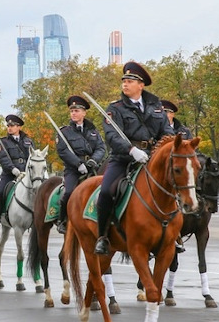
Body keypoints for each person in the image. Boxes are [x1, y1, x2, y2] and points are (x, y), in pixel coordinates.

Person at [94, 61, 172, 254]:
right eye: (124, 81)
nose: (125, 84)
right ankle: (102, 236)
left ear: (141, 85)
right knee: (106, 192)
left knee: (174, 188)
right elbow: (111, 136)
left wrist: (162, 149)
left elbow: (167, 131)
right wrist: (131, 150)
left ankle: (173, 235)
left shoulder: (156, 107)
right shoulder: (115, 108)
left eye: (129, 81)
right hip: (123, 159)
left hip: (151, 159)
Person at [52, 95, 105, 226]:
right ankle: (63, 220)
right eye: (72, 111)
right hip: (73, 170)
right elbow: (63, 151)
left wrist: (94, 160)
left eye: (76, 111)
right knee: (69, 192)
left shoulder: (93, 131)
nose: (73, 113)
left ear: (84, 113)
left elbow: (101, 148)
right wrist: (78, 164)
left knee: (105, 191)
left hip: (92, 167)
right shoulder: (64, 131)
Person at [0, 114, 34, 229]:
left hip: (26, 173)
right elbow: (3, 158)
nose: (9, 128)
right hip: (10, 174)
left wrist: (27, 170)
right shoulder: (2, 142)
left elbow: (32, 156)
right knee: (0, 192)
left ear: (19, 127)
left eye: (12, 125)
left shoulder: (28, 141)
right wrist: (13, 169)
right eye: (8, 125)